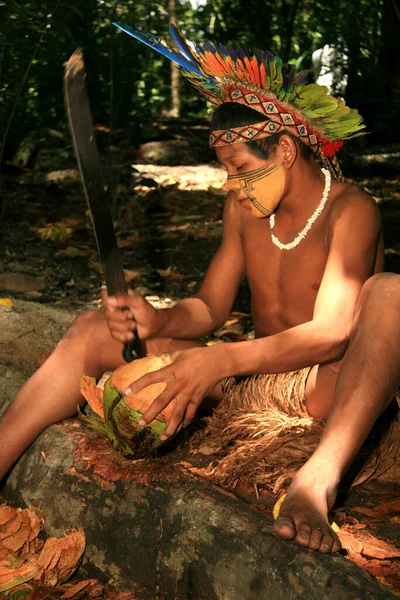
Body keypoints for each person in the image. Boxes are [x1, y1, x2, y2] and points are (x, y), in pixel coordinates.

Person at [1, 25, 400, 556]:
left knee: (391, 293)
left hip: (327, 391)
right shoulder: (243, 208)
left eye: (239, 168)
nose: (230, 184)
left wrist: (214, 363)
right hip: (252, 386)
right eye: (225, 171)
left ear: (283, 149)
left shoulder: (353, 209)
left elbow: (331, 335)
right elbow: (210, 307)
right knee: (92, 328)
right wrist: (158, 321)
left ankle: (315, 484)